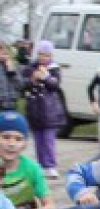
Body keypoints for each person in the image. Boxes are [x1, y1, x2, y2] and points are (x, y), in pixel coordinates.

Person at [21, 40, 66, 178]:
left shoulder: (54, 69)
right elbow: (22, 85)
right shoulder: (30, 68)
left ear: (51, 55)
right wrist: (32, 80)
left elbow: (55, 85)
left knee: (48, 140)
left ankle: (51, 165)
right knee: (38, 140)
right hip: (34, 110)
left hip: (50, 110)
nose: (43, 58)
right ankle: (41, 165)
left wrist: (46, 77)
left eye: (46, 55)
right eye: (40, 54)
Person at [0, 41, 22, 110]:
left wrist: (12, 72)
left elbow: (20, 85)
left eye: (6, 54)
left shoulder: (14, 66)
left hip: (12, 104)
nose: (3, 56)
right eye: (1, 53)